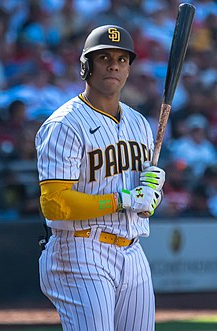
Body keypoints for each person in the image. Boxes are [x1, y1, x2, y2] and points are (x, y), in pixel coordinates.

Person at [35, 25, 165, 331]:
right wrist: (122, 200)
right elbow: (54, 203)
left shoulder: (139, 123)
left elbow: (142, 200)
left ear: (129, 68)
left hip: (132, 249)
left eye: (122, 59)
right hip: (80, 248)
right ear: (86, 66)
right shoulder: (65, 124)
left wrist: (150, 197)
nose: (113, 65)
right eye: (104, 57)